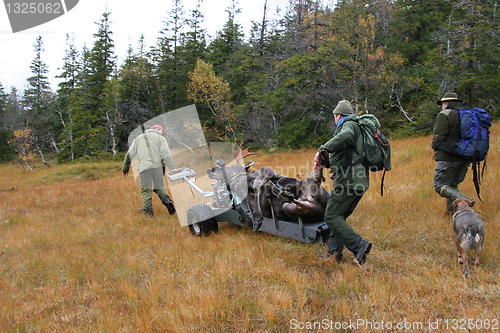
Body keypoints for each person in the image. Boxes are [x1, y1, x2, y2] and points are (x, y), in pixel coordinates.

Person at [314, 100, 372, 265]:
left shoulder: (349, 126)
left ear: (338, 115)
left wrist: (322, 150)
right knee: (337, 217)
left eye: (335, 116)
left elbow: (345, 137)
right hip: (356, 180)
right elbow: (341, 158)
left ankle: (359, 245)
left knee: (331, 216)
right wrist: (324, 161)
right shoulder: (355, 128)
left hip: (349, 181)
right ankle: (334, 254)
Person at [432, 92, 474, 215]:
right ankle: (450, 213)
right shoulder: (466, 114)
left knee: (439, 185)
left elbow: (439, 135)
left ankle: (465, 200)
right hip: (465, 156)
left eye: (442, 103)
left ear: (446, 103)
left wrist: (434, 147)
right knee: (452, 185)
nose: (442, 106)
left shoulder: (445, 114)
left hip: (448, 156)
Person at [122, 124, 176, 217]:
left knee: (146, 190)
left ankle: (148, 214)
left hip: (144, 168)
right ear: (158, 129)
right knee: (159, 187)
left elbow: (129, 154)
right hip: (158, 168)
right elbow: (166, 154)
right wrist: (172, 168)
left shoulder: (138, 139)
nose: (162, 134)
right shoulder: (161, 139)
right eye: (162, 132)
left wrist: (125, 168)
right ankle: (167, 201)